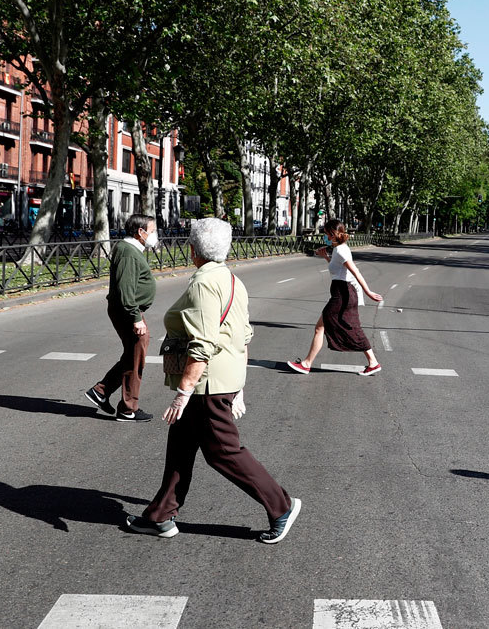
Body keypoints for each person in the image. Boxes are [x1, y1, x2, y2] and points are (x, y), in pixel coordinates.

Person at [125, 217, 301, 543]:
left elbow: (203, 345)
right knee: (180, 449)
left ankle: (282, 506)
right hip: (221, 379)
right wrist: (241, 386)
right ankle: (161, 516)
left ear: (192, 250)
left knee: (223, 452)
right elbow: (243, 336)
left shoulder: (204, 284)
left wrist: (183, 393)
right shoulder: (232, 280)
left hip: (206, 386)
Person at [288, 219, 384, 376]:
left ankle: (306, 364)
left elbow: (355, 272)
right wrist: (325, 257)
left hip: (343, 294)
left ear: (333, 234)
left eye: (326, 233)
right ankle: (372, 362)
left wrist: (368, 292)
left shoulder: (341, 251)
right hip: (341, 292)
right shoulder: (338, 249)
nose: (325, 236)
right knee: (340, 327)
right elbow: (338, 271)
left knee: (343, 327)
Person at [84, 214, 157, 422]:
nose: (154, 235)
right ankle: (128, 409)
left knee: (132, 356)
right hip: (128, 312)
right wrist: (136, 317)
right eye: (152, 231)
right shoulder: (127, 252)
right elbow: (126, 289)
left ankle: (101, 391)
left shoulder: (131, 250)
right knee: (136, 359)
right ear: (140, 232)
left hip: (129, 311)